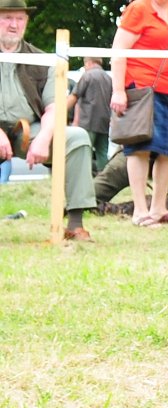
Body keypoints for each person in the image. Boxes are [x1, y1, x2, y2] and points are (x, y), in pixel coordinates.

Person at [0, 0, 97, 241]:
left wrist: (43, 138)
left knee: (76, 138)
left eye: (19, 19)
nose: (14, 25)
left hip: (28, 129)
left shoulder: (42, 60)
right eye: (7, 18)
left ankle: (75, 223)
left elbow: (54, 107)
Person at [109, 0, 168, 226]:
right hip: (142, 88)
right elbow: (118, 51)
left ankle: (158, 209)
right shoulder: (138, 8)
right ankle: (140, 211)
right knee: (140, 146)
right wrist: (118, 90)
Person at [94, 81, 168, 205]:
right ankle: (82, 205)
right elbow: (118, 128)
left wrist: (164, 142)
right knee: (95, 192)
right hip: (137, 149)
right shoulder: (135, 88)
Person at [66, 57, 112, 174]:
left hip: (88, 121)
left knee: (85, 150)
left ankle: (84, 176)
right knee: (102, 152)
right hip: (104, 122)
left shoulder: (87, 76)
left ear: (89, 62)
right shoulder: (109, 78)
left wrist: (60, 111)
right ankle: (103, 178)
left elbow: (75, 96)